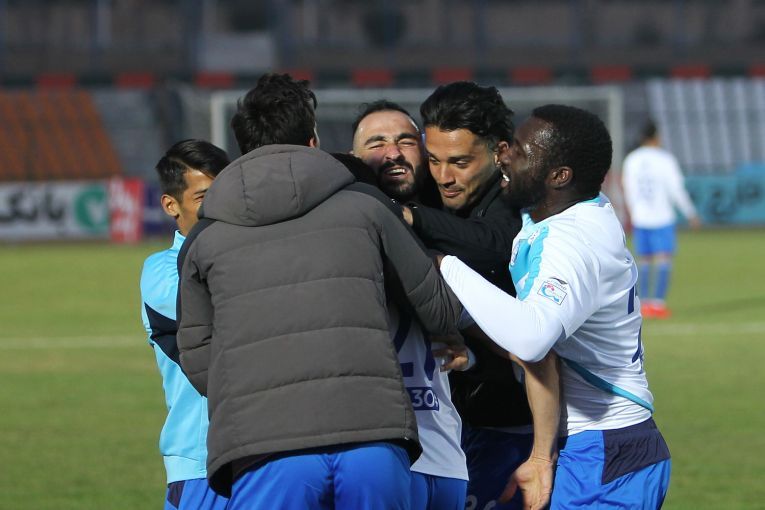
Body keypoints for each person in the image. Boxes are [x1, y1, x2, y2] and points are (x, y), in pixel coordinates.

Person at [176, 73, 463, 509]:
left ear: (243, 148)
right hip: (372, 436)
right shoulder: (369, 208)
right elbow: (440, 312)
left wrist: (253, 390)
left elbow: (196, 352)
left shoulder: (205, 237)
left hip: (263, 445)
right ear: (313, 141)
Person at [439, 104, 672, 509]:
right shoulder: (557, 216)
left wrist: (444, 266)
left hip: (607, 448)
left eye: (521, 151)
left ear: (559, 176)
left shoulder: (573, 241)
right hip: (592, 444)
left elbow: (532, 338)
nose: (505, 155)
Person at [396, 81, 538, 510]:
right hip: (459, 426)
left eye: (459, 162)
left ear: (499, 152)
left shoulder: (520, 202)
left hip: (520, 431)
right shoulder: (437, 195)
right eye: (434, 160)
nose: (444, 176)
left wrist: (411, 218)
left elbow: (494, 244)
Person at [352, 100, 469, 510]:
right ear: (353, 157)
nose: (393, 152)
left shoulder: (458, 224)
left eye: (405, 141)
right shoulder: (336, 238)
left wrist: (470, 349)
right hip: (373, 456)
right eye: (377, 143)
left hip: (446, 451)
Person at [139, 139, 230, 509]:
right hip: (199, 463)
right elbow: (218, 308)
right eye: (204, 197)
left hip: (266, 454)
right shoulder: (160, 271)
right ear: (170, 205)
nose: (218, 208)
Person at [622, 120, 700, 318]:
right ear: (656, 136)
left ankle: (643, 303)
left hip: (641, 217)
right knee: (664, 259)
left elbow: (628, 189)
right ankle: (657, 303)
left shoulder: (631, 159)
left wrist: (632, 212)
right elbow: (676, 189)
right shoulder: (665, 159)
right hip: (662, 217)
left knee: (644, 260)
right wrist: (690, 213)